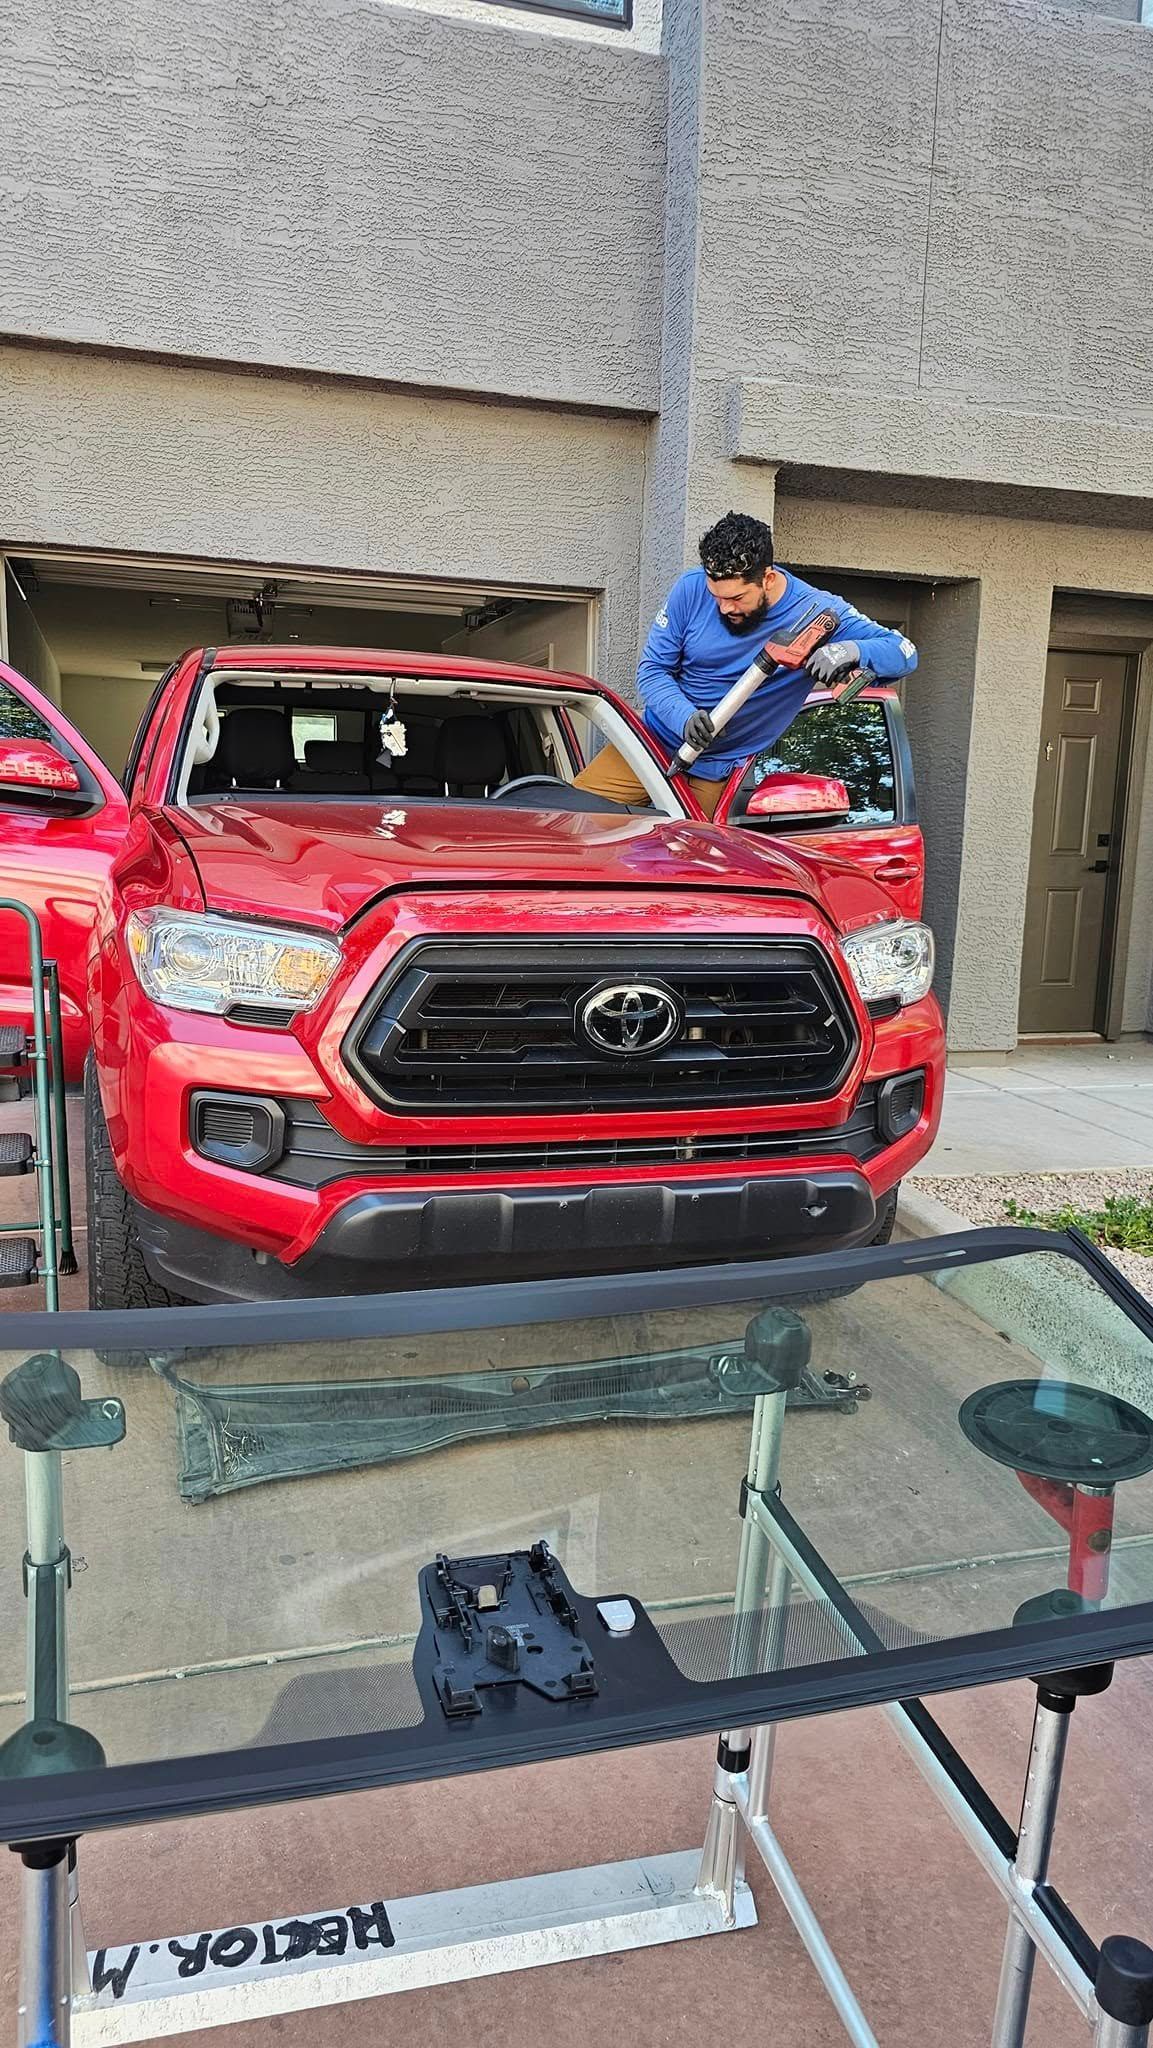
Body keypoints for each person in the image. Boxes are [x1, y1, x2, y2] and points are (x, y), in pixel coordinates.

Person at [576, 510, 918, 818]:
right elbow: (652, 670)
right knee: (571, 823)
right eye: (717, 596)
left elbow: (904, 652)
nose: (724, 608)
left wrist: (848, 652)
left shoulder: (818, 613)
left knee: (681, 863)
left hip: (715, 770)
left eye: (737, 597)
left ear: (767, 579)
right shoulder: (689, 590)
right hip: (649, 743)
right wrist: (684, 718)